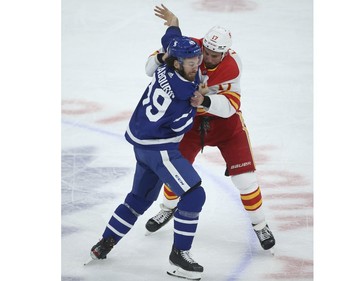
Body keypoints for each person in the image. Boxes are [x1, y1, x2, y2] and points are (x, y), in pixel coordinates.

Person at [144, 4, 275, 252]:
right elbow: (150, 67)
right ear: (202, 45)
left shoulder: (232, 66)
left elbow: (231, 105)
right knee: (175, 174)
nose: (210, 58)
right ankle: (166, 209)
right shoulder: (189, 49)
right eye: (208, 52)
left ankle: (260, 225)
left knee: (245, 179)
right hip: (191, 124)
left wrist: (204, 100)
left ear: (225, 53)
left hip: (226, 126)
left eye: (217, 55)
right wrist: (164, 55)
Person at [88, 35, 209, 280]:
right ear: (178, 63)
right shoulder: (184, 94)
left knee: (138, 199)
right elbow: (181, 127)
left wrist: (173, 23)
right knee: (195, 194)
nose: (196, 63)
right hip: (160, 149)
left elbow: (171, 40)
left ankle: (105, 243)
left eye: (197, 58)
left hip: (142, 145)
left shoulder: (165, 66)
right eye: (190, 61)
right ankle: (179, 258)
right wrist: (198, 103)